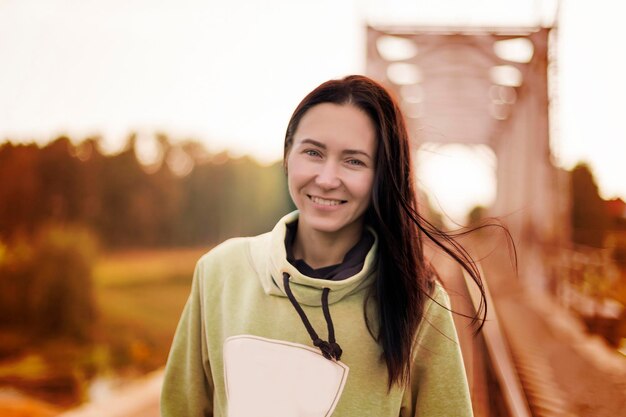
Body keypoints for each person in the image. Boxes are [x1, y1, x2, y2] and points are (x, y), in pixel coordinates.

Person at [161, 75, 486, 416]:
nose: (328, 179)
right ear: (287, 156)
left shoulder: (421, 304)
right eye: (313, 152)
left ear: (381, 176)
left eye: (354, 161)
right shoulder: (219, 273)